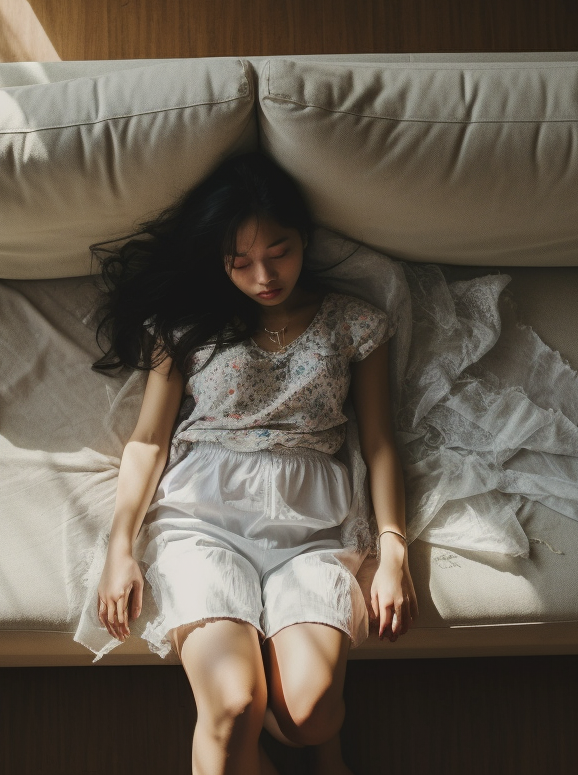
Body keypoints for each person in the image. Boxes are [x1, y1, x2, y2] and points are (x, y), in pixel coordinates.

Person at [89, 151, 417, 775]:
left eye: (280, 252)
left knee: (312, 715)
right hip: (203, 521)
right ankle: (262, 706)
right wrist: (120, 547)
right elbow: (148, 439)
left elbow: (378, 443)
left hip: (312, 532)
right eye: (240, 262)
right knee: (236, 706)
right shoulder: (186, 327)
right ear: (218, 259)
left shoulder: (355, 324)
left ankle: (305, 719)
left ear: (305, 240)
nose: (265, 276)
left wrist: (395, 552)